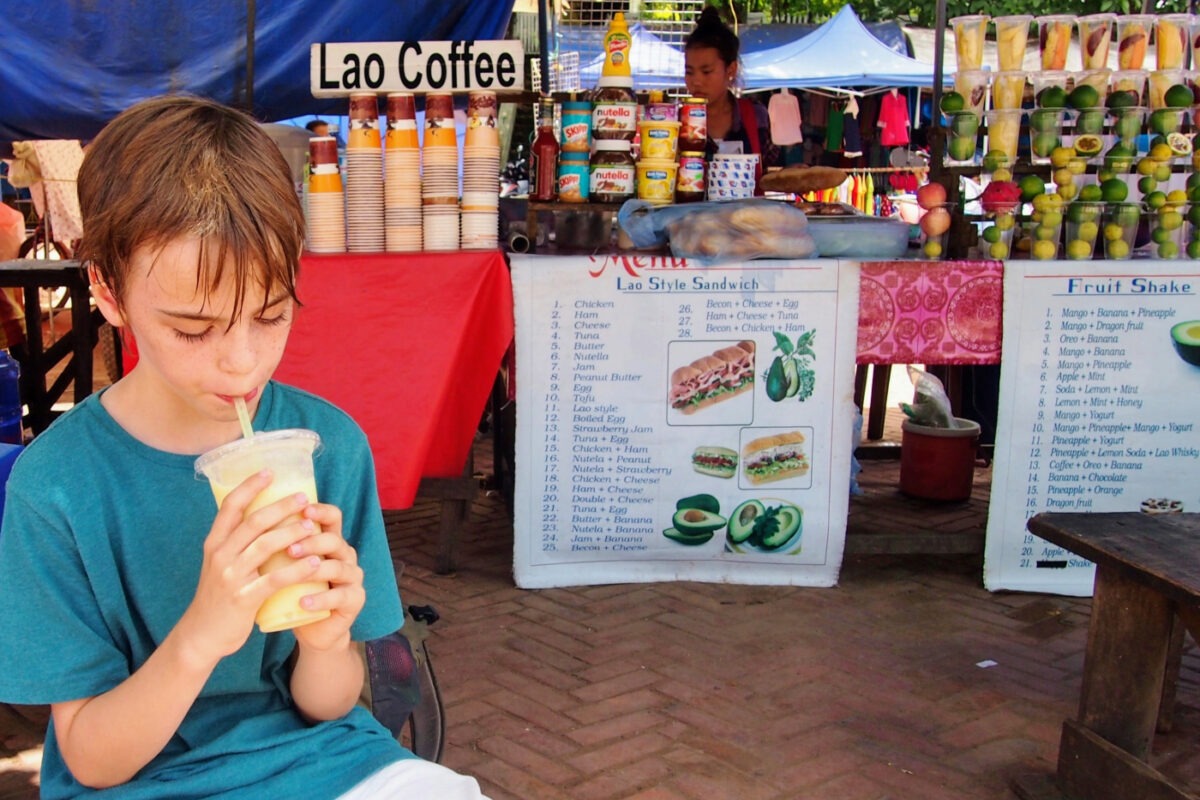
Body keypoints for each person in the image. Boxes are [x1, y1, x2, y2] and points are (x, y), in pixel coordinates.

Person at [0, 95, 489, 799]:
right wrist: (203, 632)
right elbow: (91, 760)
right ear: (108, 292)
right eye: (193, 330)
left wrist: (326, 641)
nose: (243, 363)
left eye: (270, 315)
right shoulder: (57, 487)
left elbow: (329, 703)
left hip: (322, 759)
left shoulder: (328, 449)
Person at [684, 7, 781, 191]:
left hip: (748, 219)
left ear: (731, 70)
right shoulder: (676, 124)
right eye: (689, 72)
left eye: (706, 72)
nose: (696, 81)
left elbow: (768, 176)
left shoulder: (755, 116)